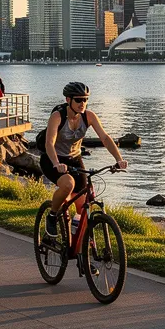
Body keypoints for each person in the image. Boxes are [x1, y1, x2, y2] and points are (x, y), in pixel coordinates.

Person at [40, 82, 127, 235]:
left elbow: (105, 138)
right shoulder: (57, 116)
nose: (83, 103)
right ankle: (52, 216)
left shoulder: (89, 116)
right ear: (68, 100)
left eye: (85, 100)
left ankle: (79, 248)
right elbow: (49, 143)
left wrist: (119, 159)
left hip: (74, 159)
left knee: (83, 209)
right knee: (68, 184)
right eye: (78, 100)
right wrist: (56, 163)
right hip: (53, 159)